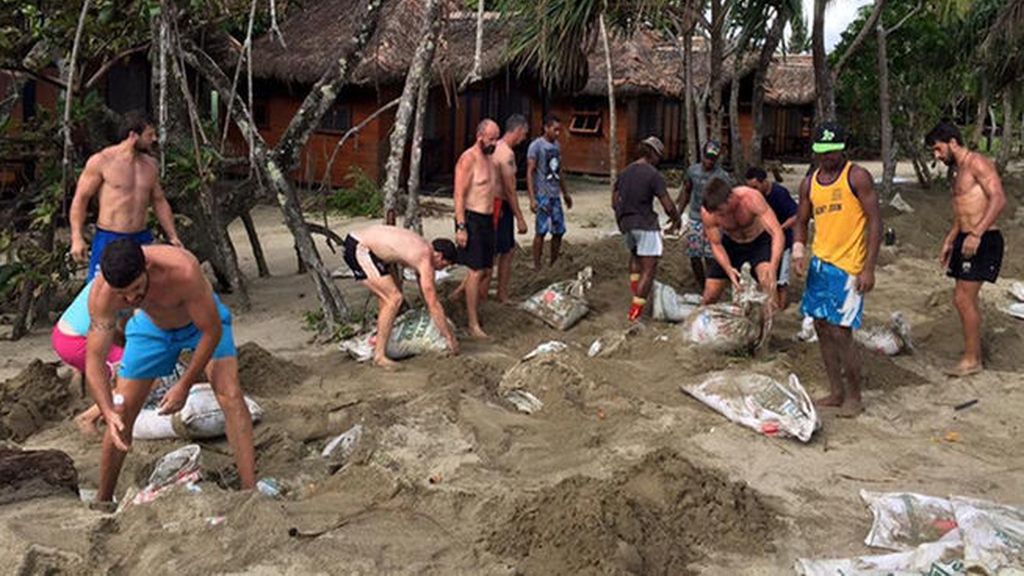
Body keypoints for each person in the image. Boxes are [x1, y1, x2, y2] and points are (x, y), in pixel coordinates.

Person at [85, 240, 255, 504]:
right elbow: (94, 360)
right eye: (123, 294)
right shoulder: (102, 293)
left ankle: (249, 489)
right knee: (122, 411)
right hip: (151, 328)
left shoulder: (182, 269)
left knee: (230, 394)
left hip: (201, 325)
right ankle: (103, 500)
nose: (130, 299)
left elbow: (212, 331)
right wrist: (106, 410)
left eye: (137, 289)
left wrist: (184, 385)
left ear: (147, 267)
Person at [793, 123, 881, 417]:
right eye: (822, 152)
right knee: (820, 326)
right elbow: (801, 220)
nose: (827, 158)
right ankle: (835, 391)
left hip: (849, 267)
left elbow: (876, 222)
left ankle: (855, 396)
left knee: (842, 332)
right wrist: (798, 250)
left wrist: (869, 268)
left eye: (832, 152)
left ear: (842, 148)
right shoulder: (810, 182)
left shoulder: (857, 177)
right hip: (821, 264)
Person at [926, 120, 1006, 377]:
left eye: (938, 150)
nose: (937, 156)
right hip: (966, 237)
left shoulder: (977, 163)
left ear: (952, 142)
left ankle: (973, 359)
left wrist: (976, 234)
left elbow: (998, 198)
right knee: (962, 298)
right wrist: (951, 239)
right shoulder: (958, 171)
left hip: (983, 239)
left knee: (963, 298)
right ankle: (973, 355)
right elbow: (963, 210)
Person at [69, 111, 182, 281]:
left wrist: (173, 236)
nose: (154, 139)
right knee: (100, 289)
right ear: (133, 135)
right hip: (110, 237)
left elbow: (159, 201)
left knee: (146, 288)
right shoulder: (102, 161)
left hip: (140, 237)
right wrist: (76, 236)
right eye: (149, 135)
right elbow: (81, 199)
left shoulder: (150, 165)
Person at [341, 225, 460, 368]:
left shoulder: (421, 247)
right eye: (444, 265)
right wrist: (449, 337)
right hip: (359, 247)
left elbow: (426, 293)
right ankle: (379, 356)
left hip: (364, 246)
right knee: (394, 298)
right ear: (439, 256)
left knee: (388, 298)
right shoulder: (424, 258)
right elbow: (433, 302)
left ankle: (378, 340)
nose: (440, 269)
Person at [612, 136, 681, 321]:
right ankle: (635, 313)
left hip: (626, 224)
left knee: (635, 257)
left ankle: (636, 294)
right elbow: (667, 205)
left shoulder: (625, 172)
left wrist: (621, 218)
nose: (659, 160)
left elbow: (614, 200)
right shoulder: (653, 174)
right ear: (652, 153)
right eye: (659, 155)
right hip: (645, 225)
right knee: (649, 269)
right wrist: (677, 220)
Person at [51, 279, 126, 436]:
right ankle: (89, 417)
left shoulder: (111, 273)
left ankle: (108, 410)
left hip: (64, 334)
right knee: (139, 377)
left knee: (125, 370)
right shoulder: (123, 284)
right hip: (77, 341)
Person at [700, 179, 785, 306]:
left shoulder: (750, 198)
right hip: (731, 244)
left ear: (729, 199)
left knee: (767, 282)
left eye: (721, 212)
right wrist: (728, 269)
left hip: (759, 241)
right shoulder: (709, 213)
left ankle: (770, 322)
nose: (719, 216)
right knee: (710, 294)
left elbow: (777, 233)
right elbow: (716, 244)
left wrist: (773, 265)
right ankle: (701, 323)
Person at [454, 119, 501, 338]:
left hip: (488, 219)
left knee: (487, 269)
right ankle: (473, 323)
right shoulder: (468, 159)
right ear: (479, 136)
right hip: (471, 218)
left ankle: (458, 295)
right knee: (475, 271)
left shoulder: (490, 159)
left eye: (496, 138)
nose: (494, 142)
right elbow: (459, 195)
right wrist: (461, 226)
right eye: (491, 138)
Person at [676, 140, 732, 291]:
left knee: (711, 256)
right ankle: (701, 285)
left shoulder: (722, 176)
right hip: (695, 217)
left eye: (712, 159)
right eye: (707, 157)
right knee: (694, 255)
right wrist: (678, 214)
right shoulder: (693, 171)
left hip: (714, 220)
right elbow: (686, 191)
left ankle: (711, 285)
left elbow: (727, 199)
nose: (709, 161)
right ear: (702, 156)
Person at [745, 167, 798, 309]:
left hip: (784, 241)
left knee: (781, 280)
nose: (753, 191)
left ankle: (781, 308)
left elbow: (796, 215)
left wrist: (779, 229)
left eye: (755, 187)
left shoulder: (780, 194)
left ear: (764, 182)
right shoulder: (753, 197)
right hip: (764, 243)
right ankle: (769, 306)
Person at [491, 114, 530, 303]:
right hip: (499, 205)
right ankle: (501, 294)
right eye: (524, 134)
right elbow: (510, 189)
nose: (524, 138)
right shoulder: (506, 154)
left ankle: (498, 293)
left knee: (500, 250)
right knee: (503, 251)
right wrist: (520, 217)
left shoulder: (494, 148)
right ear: (518, 131)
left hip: (493, 204)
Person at [527, 114, 573, 269]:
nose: (557, 133)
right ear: (546, 128)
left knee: (559, 230)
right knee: (541, 231)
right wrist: (532, 198)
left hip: (555, 195)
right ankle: (537, 265)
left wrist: (565, 193)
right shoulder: (536, 146)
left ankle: (553, 264)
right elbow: (530, 171)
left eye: (559, 130)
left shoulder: (557, 146)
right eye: (555, 130)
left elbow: (559, 170)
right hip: (542, 195)